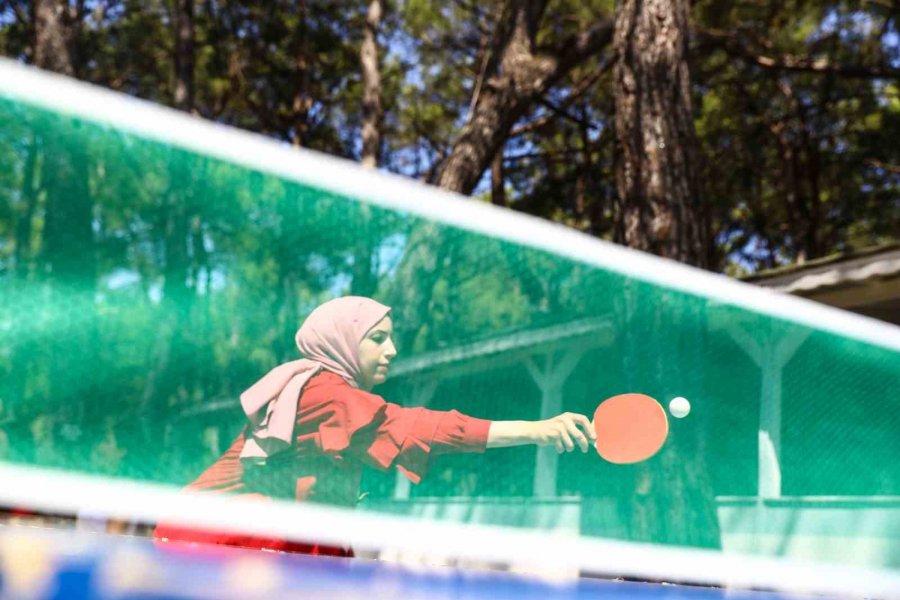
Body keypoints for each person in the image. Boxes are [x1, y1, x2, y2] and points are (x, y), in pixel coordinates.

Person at [154, 296, 594, 555]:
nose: (393, 350)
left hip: (250, 547)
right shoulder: (324, 393)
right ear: (342, 341)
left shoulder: (326, 390)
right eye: (378, 338)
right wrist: (537, 430)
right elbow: (414, 426)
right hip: (207, 542)